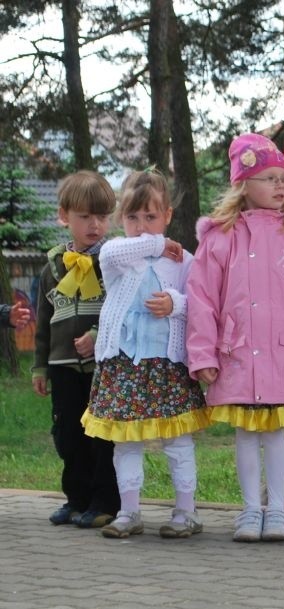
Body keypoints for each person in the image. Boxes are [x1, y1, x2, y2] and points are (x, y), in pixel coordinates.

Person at [187, 133, 284, 542]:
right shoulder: (219, 238)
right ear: (243, 184)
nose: (279, 187)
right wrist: (202, 353)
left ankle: (278, 510)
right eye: (268, 178)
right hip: (237, 353)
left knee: (275, 434)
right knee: (246, 435)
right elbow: (201, 299)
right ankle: (249, 509)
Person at [81, 169, 211, 539]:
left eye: (150, 217)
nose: (141, 225)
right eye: (132, 217)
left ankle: (186, 512)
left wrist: (176, 303)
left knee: (178, 441)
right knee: (126, 441)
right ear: (121, 219)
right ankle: (129, 511)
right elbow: (114, 247)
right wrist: (156, 243)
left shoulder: (184, 260)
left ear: (168, 215)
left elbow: (200, 303)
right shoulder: (117, 255)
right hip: (124, 365)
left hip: (167, 364)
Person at [31, 170, 120, 529]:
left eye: (102, 216)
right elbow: (43, 322)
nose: (95, 225)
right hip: (62, 366)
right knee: (67, 435)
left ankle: (104, 502)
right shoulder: (52, 268)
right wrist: (40, 367)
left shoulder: (113, 262)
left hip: (103, 368)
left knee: (100, 437)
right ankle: (76, 499)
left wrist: (98, 334)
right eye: (85, 217)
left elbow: (121, 308)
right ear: (64, 216)